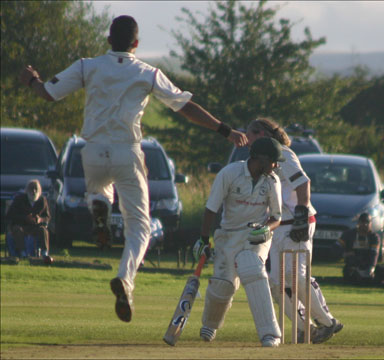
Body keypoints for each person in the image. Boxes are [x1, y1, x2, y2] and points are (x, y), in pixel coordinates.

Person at [19, 15, 247, 323]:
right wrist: (225, 130)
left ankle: (99, 203)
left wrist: (32, 79)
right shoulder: (148, 72)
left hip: (93, 149)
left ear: (109, 40)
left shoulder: (88, 66)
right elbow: (186, 107)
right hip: (128, 150)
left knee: (98, 184)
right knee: (139, 227)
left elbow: (47, 92)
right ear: (136, 44)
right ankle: (125, 280)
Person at [245, 118, 342, 344]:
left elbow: (302, 183)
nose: (247, 140)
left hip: (298, 222)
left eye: (250, 135)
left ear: (263, 134)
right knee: (276, 283)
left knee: (295, 276)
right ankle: (303, 328)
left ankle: (327, 322)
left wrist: (300, 214)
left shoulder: (283, 154)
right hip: (278, 226)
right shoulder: (258, 158)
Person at [193, 137, 285, 347]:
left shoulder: (272, 180)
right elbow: (211, 209)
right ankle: (211, 323)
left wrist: (265, 229)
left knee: (251, 266)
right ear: (261, 159)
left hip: (256, 236)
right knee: (223, 285)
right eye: (274, 161)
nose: (277, 166)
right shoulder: (229, 173)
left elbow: (277, 218)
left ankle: (270, 334)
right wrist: (203, 240)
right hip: (228, 235)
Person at [339, 213, 384, 290]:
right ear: (358, 223)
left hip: (368, 266)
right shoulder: (349, 234)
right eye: (362, 222)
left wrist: (372, 267)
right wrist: (344, 254)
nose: (365, 225)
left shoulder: (374, 237)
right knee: (349, 273)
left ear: (371, 224)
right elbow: (336, 247)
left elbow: (374, 253)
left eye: (367, 222)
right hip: (354, 265)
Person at [5, 179, 50, 258]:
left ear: (39, 191)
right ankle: (23, 253)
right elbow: (10, 215)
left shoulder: (42, 201)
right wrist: (25, 218)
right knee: (17, 230)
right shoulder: (19, 199)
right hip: (21, 226)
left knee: (43, 230)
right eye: (31, 189)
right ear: (27, 190)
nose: (34, 191)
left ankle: (44, 253)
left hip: (35, 227)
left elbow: (47, 217)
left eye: (36, 189)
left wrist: (40, 219)